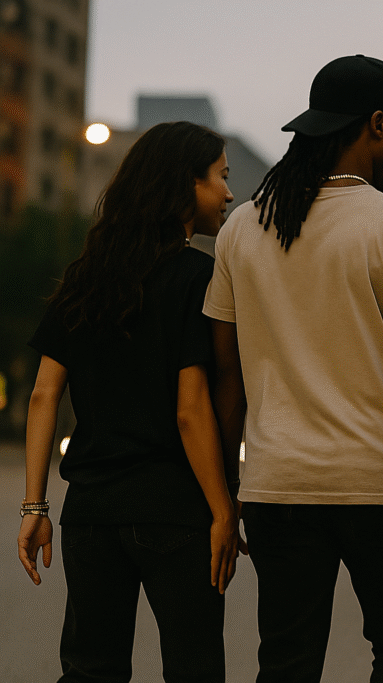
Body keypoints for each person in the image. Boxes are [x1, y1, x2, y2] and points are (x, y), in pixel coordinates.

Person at [203, 55, 383, 683]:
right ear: (376, 124)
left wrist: (228, 492)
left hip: (278, 488)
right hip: (381, 487)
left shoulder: (244, 228)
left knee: (286, 660)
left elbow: (228, 378)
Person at [17, 121, 240, 682]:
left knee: (91, 669)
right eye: (221, 177)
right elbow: (191, 408)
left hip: (91, 512)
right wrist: (222, 508)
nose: (229, 193)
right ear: (184, 185)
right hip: (173, 509)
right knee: (194, 668)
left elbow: (44, 394)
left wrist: (34, 507)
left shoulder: (87, 278)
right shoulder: (197, 276)